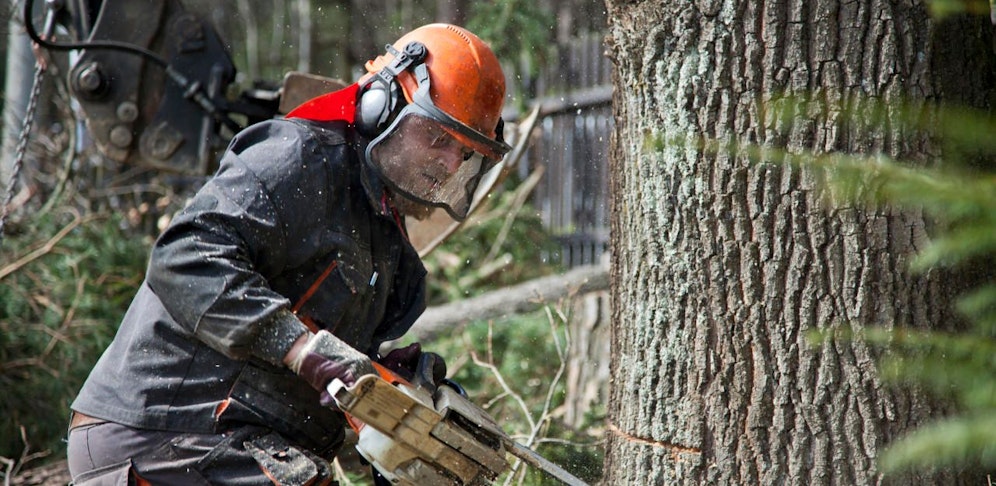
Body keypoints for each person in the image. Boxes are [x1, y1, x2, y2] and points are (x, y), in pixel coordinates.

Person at [66, 23, 509, 485]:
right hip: (161, 430)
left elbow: (333, 378)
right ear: (384, 104)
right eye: (438, 138)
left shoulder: (386, 241)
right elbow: (184, 255)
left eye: (464, 152)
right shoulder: (300, 157)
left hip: (243, 443)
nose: (449, 162)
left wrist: (391, 394)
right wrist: (300, 348)